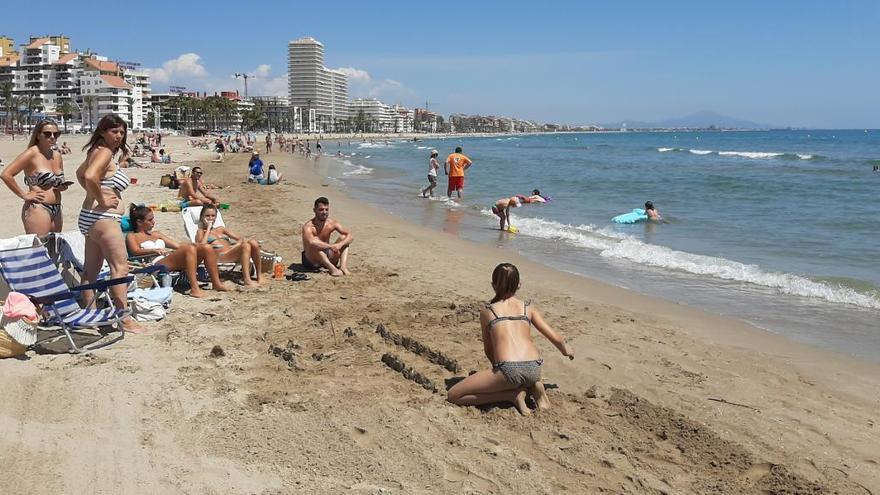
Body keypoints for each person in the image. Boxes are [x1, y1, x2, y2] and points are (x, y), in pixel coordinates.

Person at [447, 263, 574, 415]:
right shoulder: (528, 308)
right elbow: (554, 337)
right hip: (534, 367)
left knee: (454, 395)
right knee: (522, 377)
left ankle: (511, 395)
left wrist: (499, 372)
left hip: (509, 369)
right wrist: (566, 350)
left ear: (493, 285)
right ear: (519, 285)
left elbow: (488, 349)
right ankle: (532, 384)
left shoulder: (488, 311)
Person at [75, 113, 144, 334]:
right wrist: (103, 198)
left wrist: (94, 195)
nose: (119, 136)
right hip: (104, 218)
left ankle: (91, 314)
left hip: (90, 217)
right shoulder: (103, 152)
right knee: (120, 267)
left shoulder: (95, 151)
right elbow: (90, 177)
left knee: (91, 271)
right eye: (114, 131)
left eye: (122, 132)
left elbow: (80, 173)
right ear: (103, 131)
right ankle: (124, 319)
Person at [126, 204, 227, 297]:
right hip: (154, 264)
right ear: (139, 222)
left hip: (167, 259)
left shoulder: (156, 234)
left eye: (153, 218)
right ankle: (194, 289)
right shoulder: (132, 236)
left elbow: (177, 245)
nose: (153, 222)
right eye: (150, 220)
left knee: (206, 248)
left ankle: (216, 283)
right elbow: (135, 251)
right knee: (190, 249)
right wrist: (154, 250)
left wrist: (195, 244)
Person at [1, 120, 69, 236]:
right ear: (38, 135)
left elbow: (57, 181)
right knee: (39, 249)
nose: (52, 137)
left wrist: (61, 186)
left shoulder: (57, 156)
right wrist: (24, 195)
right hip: (39, 208)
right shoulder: (31, 154)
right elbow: (6, 174)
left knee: (55, 249)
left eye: (56, 134)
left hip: (57, 208)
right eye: (47, 134)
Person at [195, 205, 264, 287]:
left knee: (253, 242)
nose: (210, 218)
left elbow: (240, 238)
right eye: (207, 216)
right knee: (245, 246)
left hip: (232, 252)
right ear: (202, 217)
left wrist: (236, 246)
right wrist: (208, 228)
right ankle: (247, 280)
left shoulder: (221, 229)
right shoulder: (200, 232)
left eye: (213, 216)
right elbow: (201, 246)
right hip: (221, 256)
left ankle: (260, 276)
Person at [301, 197, 352, 276]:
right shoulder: (309, 226)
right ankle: (332, 269)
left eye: (326, 209)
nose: (324, 212)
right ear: (314, 210)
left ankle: (343, 267)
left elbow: (350, 235)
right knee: (315, 242)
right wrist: (331, 246)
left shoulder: (332, 223)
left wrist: (339, 245)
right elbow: (311, 242)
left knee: (343, 238)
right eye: (321, 210)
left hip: (328, 255)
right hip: (312, 260)